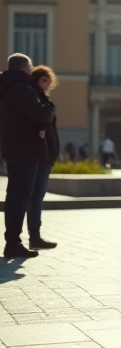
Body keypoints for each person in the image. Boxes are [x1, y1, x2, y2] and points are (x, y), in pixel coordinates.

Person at [0, 54, 54, 258]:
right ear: (26, 69)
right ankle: (13, 243)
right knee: (20, 197)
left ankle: (13, 241)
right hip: (26, 150)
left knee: (15, 196)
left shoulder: (6, 86)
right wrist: (47, 108)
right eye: (30, 69)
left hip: (12, 147)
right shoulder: (21, 88)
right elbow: (43, 114)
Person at [28, 66, 59, 250]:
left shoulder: (46, 101)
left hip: (47, 153)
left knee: (37, 196)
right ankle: (33, 235)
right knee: (33, 196)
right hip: (36, 153)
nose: (47, 84)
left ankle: (35, 236)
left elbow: (51, 131)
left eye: (49, 81)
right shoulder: (33, 99)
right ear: (36, 79)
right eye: (44, 80)